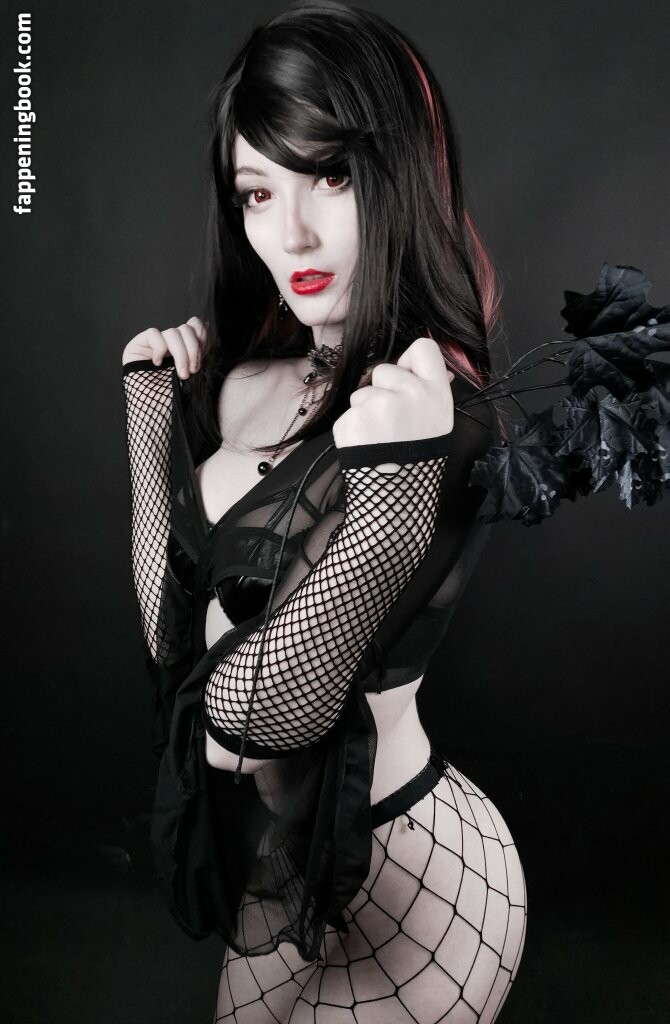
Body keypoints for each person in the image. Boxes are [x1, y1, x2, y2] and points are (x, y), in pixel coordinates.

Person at [121, 2, 527, 1021]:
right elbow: (172, 641)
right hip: (287, 863)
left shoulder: (444, 420)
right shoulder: (240, 384)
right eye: (258, 192)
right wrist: (148, 416)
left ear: (401, 176)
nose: (290, 233)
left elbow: (255, 714)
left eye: (332, 177)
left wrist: (392, 493)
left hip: (418, 877)